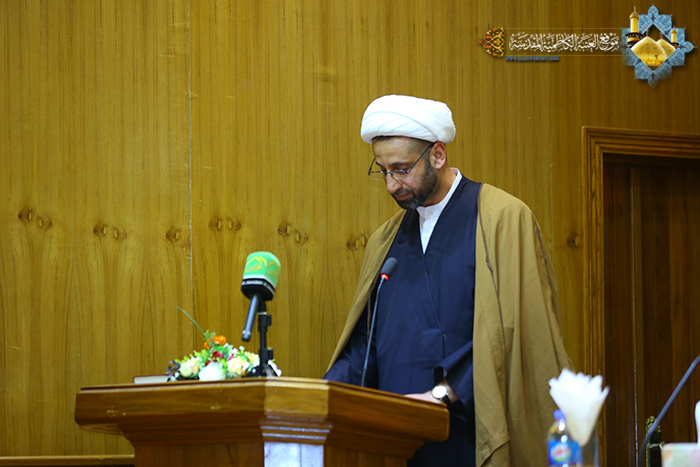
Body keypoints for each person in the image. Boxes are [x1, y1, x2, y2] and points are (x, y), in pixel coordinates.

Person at [324, 95, 572, 467]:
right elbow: (366, 341)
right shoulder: (385, 239)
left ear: (437, 155)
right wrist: (324, 393)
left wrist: (444, 393)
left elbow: (517, 330)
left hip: (471, 429)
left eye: (401, 169)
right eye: (383, 171)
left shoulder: (502, 218)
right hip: (396, 437)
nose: (392, 185)